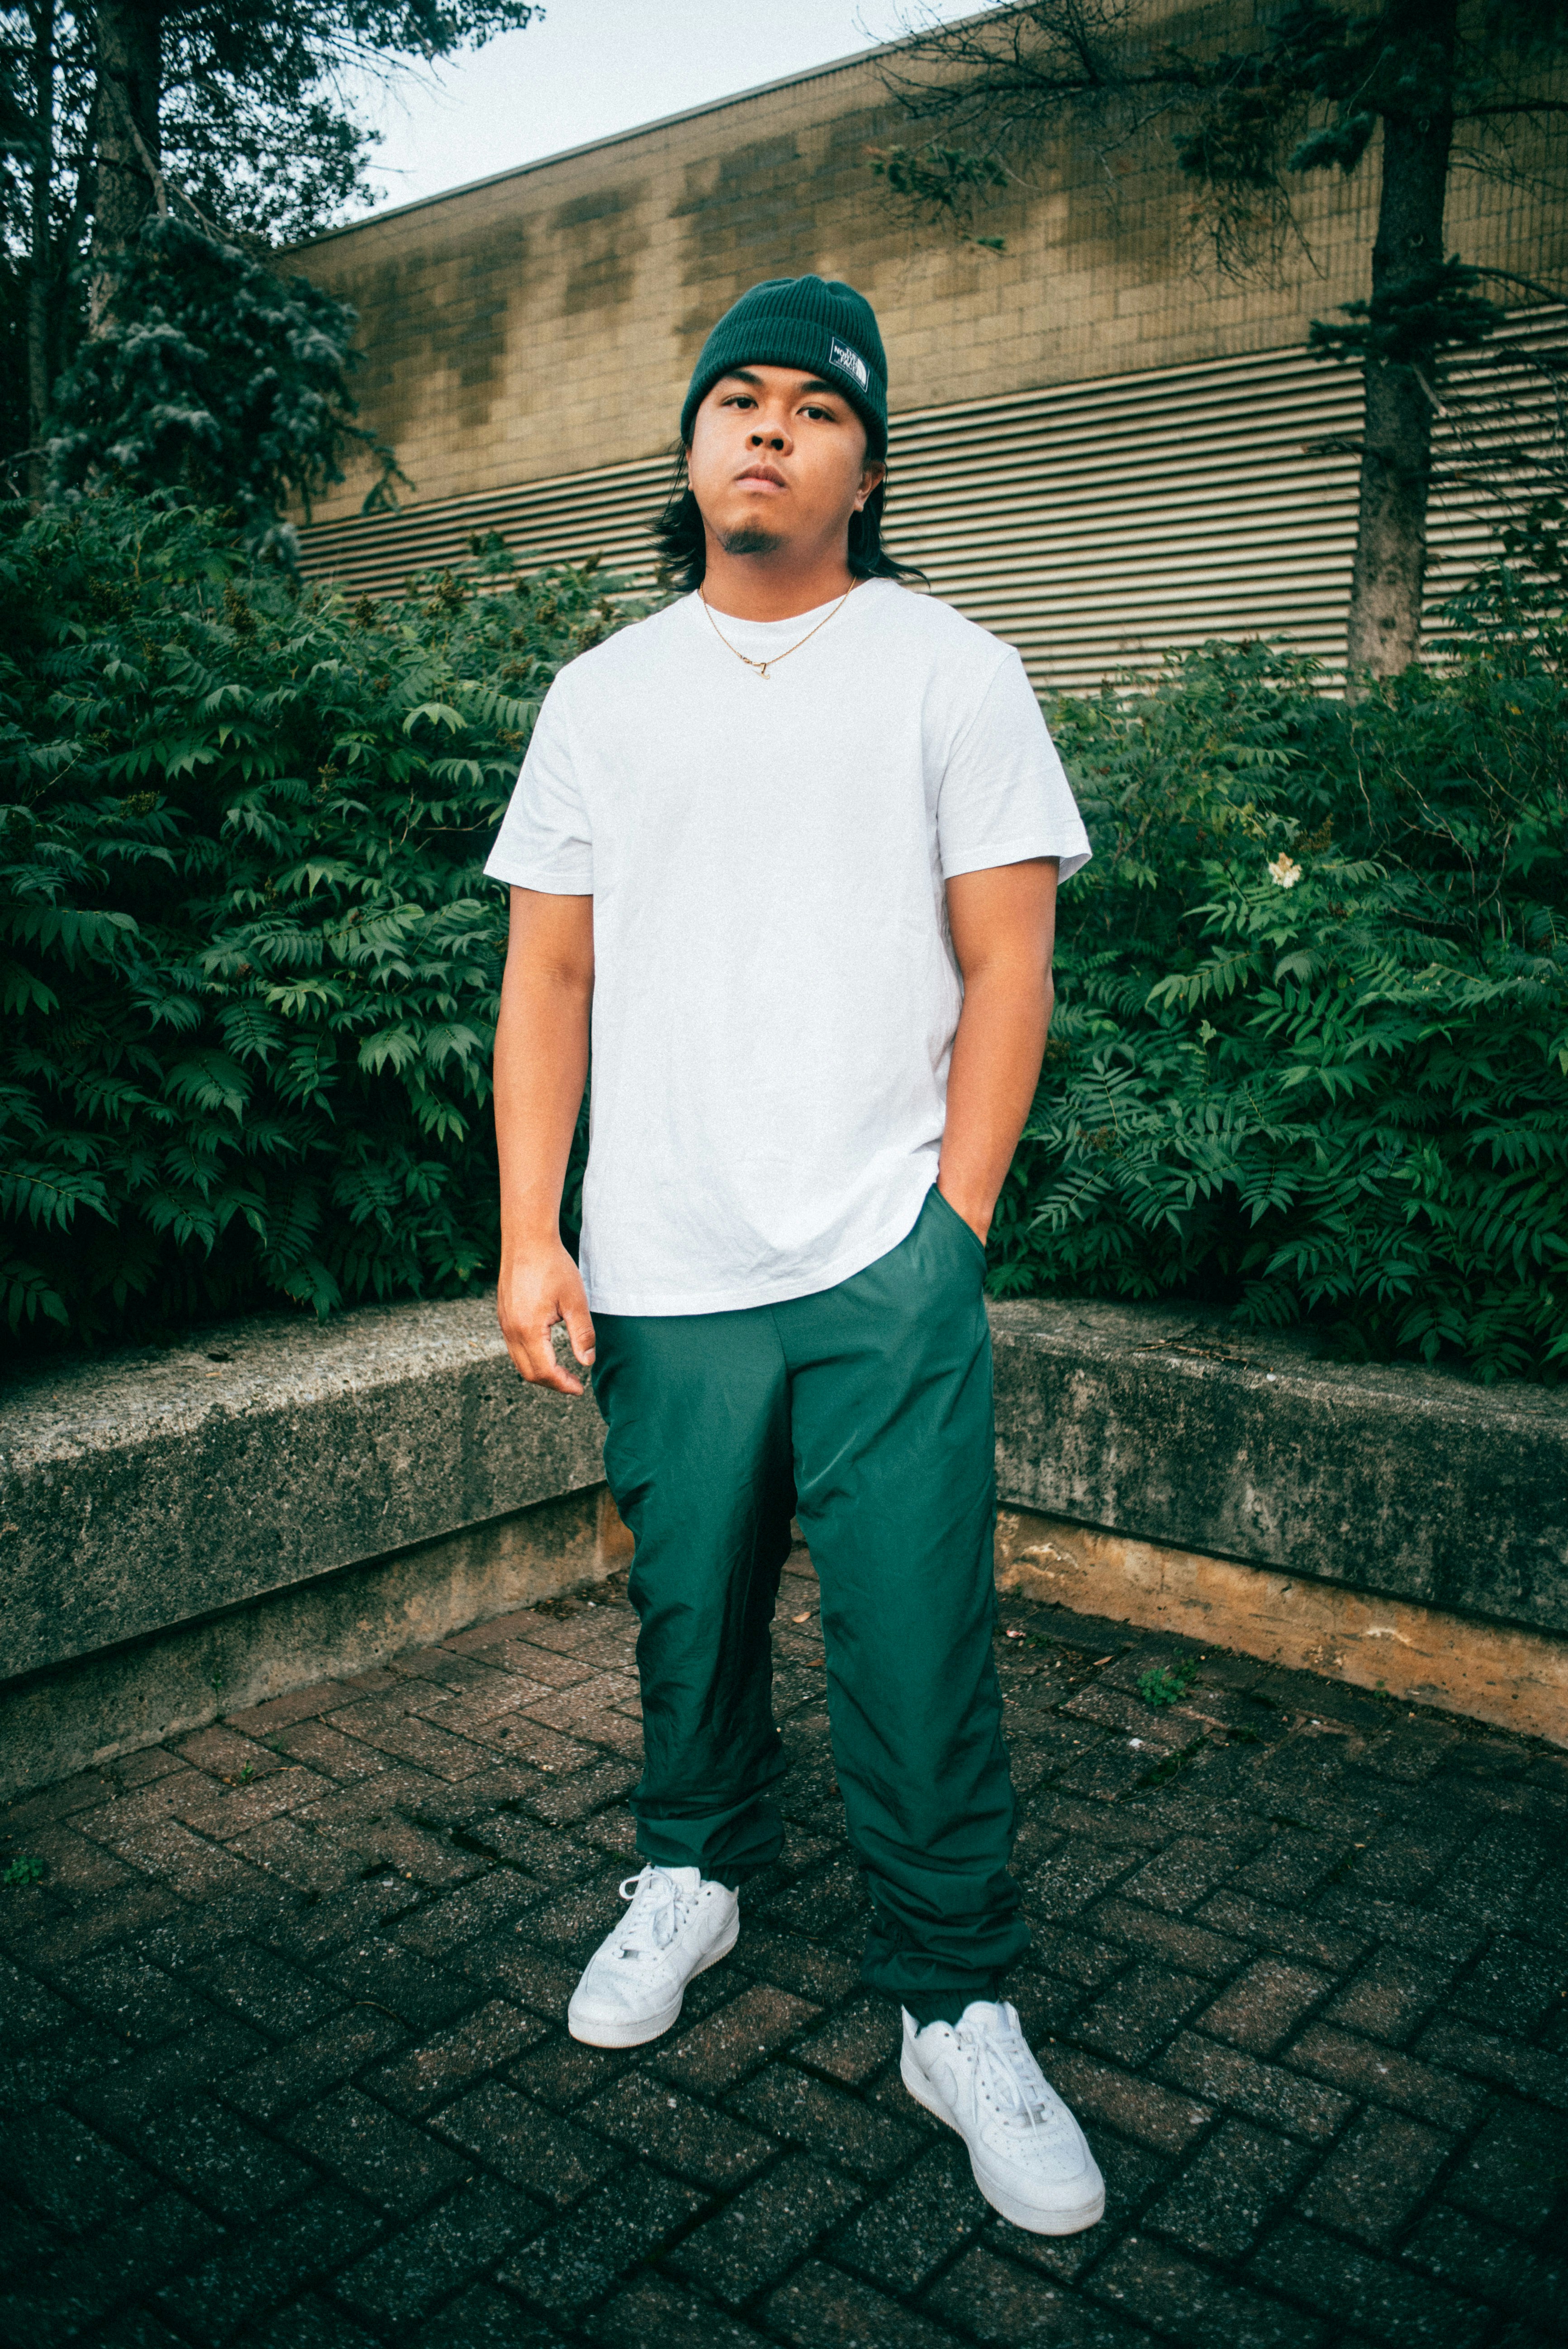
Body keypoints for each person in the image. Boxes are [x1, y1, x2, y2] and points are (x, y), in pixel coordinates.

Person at [486, 274, 1104, 2236]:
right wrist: (528, 1229)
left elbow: (1012, 961)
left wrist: (955, 1234)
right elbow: (549, 980)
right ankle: (696, 1870)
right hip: (663, 1258)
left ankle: (957, 1995)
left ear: (865, 460)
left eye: (810, 409)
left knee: (920, 1637)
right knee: (694, 1612)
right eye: (731, 399)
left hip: (881, 1251)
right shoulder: (601, 693)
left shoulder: (950, 668)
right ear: (689, 446)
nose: (764, 429)